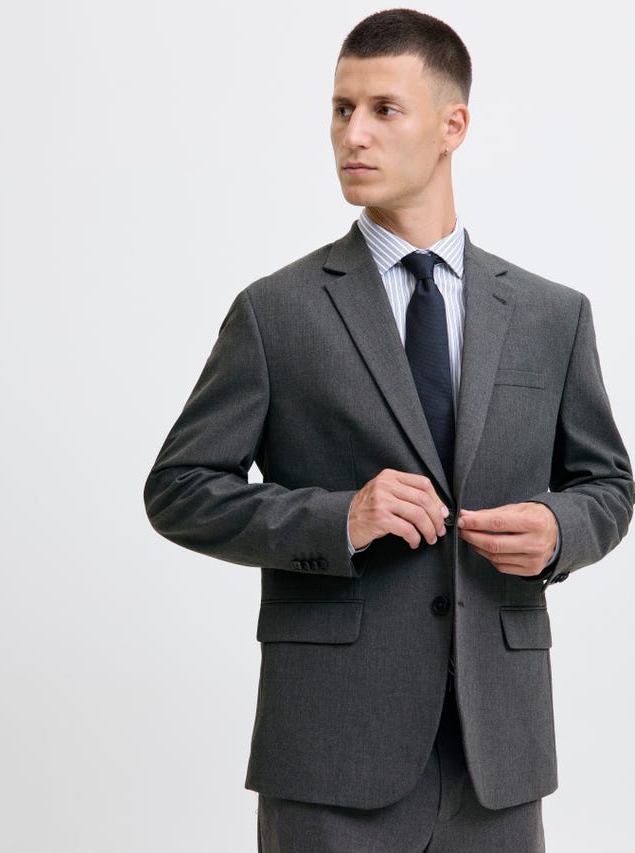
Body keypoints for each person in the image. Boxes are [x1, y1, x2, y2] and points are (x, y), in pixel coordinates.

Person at [144, 9, 633, 852]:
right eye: (341, 109)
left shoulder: (552, 314)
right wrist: (339, 518)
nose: (353, 134)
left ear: (453, 126)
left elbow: (609, 486)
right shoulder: (275, 312)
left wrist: (559, 531)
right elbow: (180, 489)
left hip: (497, 755)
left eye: (383, 109)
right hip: (330, 751)